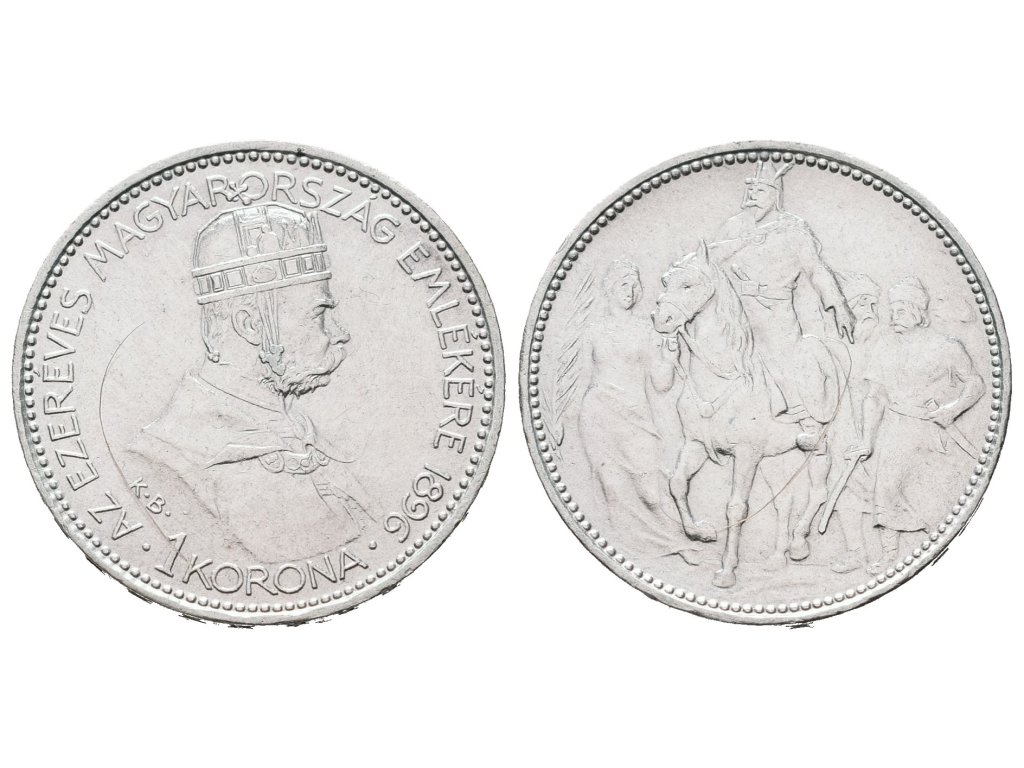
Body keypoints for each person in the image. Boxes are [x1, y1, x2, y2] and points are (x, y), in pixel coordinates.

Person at [125, 204, 376, 563]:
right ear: (251, 325)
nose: (340, 334)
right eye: (319, 314)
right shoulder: (170, 459)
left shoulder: (298, 434)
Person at [846, 277, 984, 573]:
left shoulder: (946, 347)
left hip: (930, 429)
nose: (894, 316)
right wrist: (867, 440)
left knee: (922, 493)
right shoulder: (884, 348)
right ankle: (890, 554)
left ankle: (933, 540)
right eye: (892, 310)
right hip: (894, 429)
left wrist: (954, 409)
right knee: (885, 489)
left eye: (901, 310)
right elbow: (874, 397)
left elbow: (975, 383)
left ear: (918, 312)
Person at [578, 260, 714, 555]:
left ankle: (670, 541)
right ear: (610, 288)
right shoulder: (594, 331)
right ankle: (622, 547)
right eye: (623, 284)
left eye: (634, 285)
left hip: (636, 416)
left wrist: (670, 356)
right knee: (612, 488)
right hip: (598, 414)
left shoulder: (647, 331)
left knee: (651, 491)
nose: (630, 291)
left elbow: (661, 383)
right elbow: (582, 381)